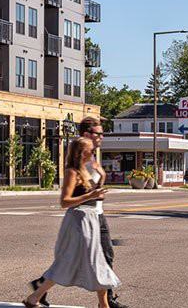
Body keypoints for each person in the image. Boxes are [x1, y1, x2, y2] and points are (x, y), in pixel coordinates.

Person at [31, 117, 128, 308]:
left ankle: (40, 288)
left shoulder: (92, 157)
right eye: (98, 133)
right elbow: (67, 199)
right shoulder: (80, 162)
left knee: (100, 257)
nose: (102, 137)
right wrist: (91, 194)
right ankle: (105, 303)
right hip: (83, 217)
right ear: (87, 134)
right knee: (90, 259)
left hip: (96, 214)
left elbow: (93, 185)